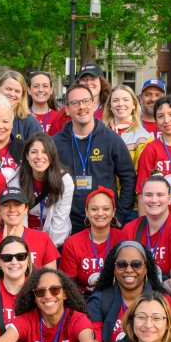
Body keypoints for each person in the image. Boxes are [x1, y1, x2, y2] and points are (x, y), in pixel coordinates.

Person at [53, 83, 137, 232]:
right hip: (67, 224)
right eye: (75, 103)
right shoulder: (55, 143)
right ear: (67, 109)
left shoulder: (112, 139)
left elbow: (128, 178)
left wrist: (120, 215)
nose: (81, 107)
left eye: (86, 101)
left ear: (93, 105)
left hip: (104, 223)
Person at [87, 240, 171, 342]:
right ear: (114, 269)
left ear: (146, 269)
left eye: (136, 264)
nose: (129, 270)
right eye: (121, 264)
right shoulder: (99, 301)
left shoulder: (164, 301)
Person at [126, 175, 171, 295]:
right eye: (148, 195)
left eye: (160, 195)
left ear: (170, 199)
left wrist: (148, 298)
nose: (154, 200)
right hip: (133, 291)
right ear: (141, 198)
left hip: (163, 297)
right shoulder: (130, 228)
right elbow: (123, 271)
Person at [59, 188, 126, 293]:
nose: (100, 213)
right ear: (86, 212)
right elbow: (68, 285)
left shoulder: (124, 239)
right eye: (94, 209)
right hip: (84, 299)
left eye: (106, 209)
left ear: (113, 212)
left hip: (116, 296)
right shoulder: (72, 243)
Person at [0, 188, 60, 269]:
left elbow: (51, 276)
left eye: (17, 204)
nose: (12, 210)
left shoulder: (43, 238)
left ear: (26, 209)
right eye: (6, 205)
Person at [18, 134, 74, 247]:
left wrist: (46, 250)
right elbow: (18, 218)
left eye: (45, 152)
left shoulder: (64, 181)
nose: (39, 156)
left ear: (52, 155)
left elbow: (60, 221)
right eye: (34, 152)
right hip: (25, 240)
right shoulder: (17, 179)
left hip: (54, 241)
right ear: (27, 156)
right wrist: (25, 246)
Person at [0, 70, 44, 142]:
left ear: (22, 95)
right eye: (8, 89)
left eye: (17, 91)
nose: (12, 94)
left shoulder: (31, 124)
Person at [105, 83, 153, 156]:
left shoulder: (144, 137)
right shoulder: (98, 133)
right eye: (115, 100)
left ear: (134, 105)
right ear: (110, 106)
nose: (120, 104)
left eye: (126, 100)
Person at [28, 71, 67, 136]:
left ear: (51, 90)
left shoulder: (58, 117)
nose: (40, 90)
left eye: (45, 86)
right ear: (29, 90)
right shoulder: (22, 117)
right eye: (36, 86)